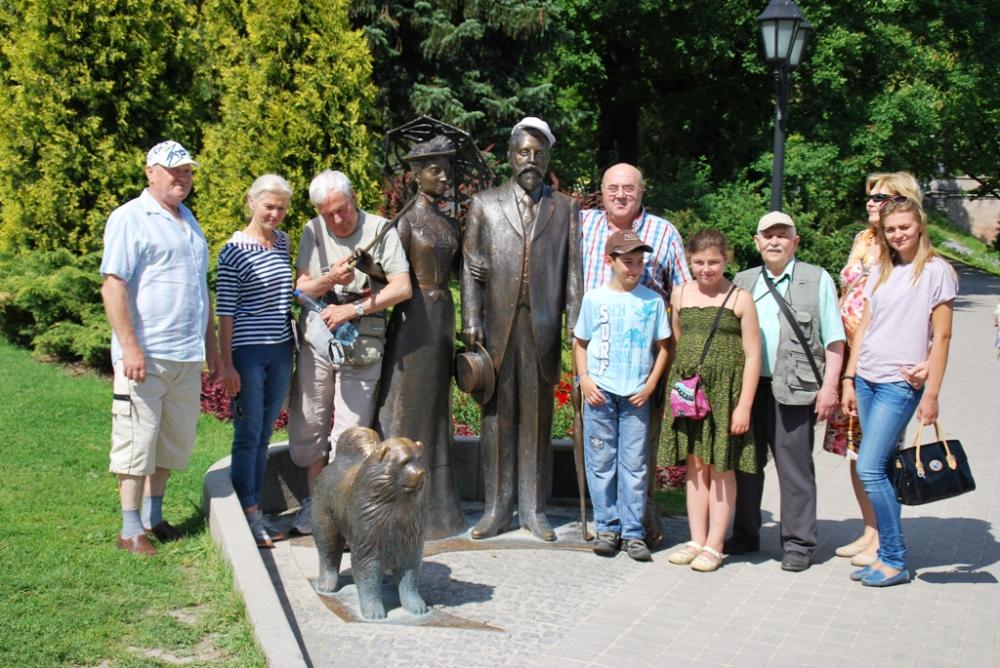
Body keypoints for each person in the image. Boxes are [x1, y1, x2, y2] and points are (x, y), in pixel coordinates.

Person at [460, 116, 582, 541]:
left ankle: (533, 508)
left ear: (547, 157)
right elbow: (470, 269)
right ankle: (496, 508)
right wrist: (471, 320)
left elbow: (573, 275)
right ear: (510, 156)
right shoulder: (484, 204)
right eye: (523, 153)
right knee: (496, 419)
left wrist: (575, 329)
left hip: (543, 329)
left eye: (538, 154)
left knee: (537, 420)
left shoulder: (565, 208)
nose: (530, 160)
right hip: (496, 330)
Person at [100, 140, 220, 556]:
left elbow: (199, 292)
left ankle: (154, 517)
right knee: (136, 441)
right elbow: (113, 284)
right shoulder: (131, 218)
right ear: (150, 172)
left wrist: (211, 350)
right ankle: (130, 530)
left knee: (170, 442)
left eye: (187, 172)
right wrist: (130, 348)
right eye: (174, 171)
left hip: (186, 356)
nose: (182, 179)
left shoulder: (190, 220)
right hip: (145, 356)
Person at [841, 196, 957, 587]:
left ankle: (894, 559)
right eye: (891, 230)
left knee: (871, 469)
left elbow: (942, 336)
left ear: (920, 224)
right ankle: (885, 555)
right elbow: (865, 329)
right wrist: (850, 378)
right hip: (868, 380)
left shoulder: (937, 271)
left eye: (904, 227)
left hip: (900, 384)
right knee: (883, 468)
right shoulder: (881, 271)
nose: (898, 234)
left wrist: (932, 393)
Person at [287, 170, 412, 535]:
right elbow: (302, 287)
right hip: (318, 340)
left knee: (350, 435)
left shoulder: (381, 229)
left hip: (362, 340)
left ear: (353, 198)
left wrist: (354, 309)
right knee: (309, 426)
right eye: (328, 214)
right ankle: (316, 508)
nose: (337, 219)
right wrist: (328, 281)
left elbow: (402, 287)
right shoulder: (312, 231)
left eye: (342, 210)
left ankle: (343, 515)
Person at [578, 162, 690, 543]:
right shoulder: (583, 225)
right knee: (601, 451)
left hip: (642, 362)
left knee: (640, 448)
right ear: (602, 190)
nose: (620, 195)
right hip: (596, 361)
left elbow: (680, 291)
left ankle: (639, 520)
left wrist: (677, 353)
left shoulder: (662, 232)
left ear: (642, 191)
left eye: (628, 188)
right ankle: (610, 524)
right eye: (612, 188)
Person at [728, 211, 846, 572]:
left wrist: (830, 388)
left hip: (795, 390)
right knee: (747, 464)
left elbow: (835, 339)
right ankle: (745, 534)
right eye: (768, 235)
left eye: (783, 235)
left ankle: (798, 543)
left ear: (796, 242)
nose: (775, 241)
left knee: (794, 467)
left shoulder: (817, 278)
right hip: (749, 390)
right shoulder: (743, 280)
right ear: (757, 242)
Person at [823, 172, 927, 568]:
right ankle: (869, 531)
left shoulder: (903, 245)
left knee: (878, 457)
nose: (871, 202)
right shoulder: (862, 240)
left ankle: (885, 539)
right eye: (869, 196)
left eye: (881, 196)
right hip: (854, 363)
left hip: (886, 368)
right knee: (855, 451)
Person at [374, 136, 465, 539]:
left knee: (436, 408)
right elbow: (384, 272)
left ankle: (439, 507)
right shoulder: (407, 222)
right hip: (414, 320)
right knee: (409, 405)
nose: (443, 176)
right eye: (434, 169)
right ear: (415, 175)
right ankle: (394, 501)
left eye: (446, 168)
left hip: (443, 316)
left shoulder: (448, 221)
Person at [662, 230, 760, 572]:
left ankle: (715, 544)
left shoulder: (739, 298)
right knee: (695, 465)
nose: (706, 269)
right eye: (699, 262)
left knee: (721, 467)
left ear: (726, 260)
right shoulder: (680, 293)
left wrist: (744, 404)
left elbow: (752, 354)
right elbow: (678, 341)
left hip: (726, 394)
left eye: (714, 262)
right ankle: (695, 539)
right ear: (689, 260)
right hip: (691, 394)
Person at [573, 230, 671, 561]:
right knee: (601, 462)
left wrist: (651, 384)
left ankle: (633, 532)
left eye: (639, 262)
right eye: (627, 262)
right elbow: (581, 342)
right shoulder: (595, 299)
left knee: (636, 464)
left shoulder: (652, 301)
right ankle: (607, 527)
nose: (634, 268)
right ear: (609, 261)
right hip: (601, 392)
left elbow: (663, 348)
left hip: (635, 396)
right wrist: (584, 379)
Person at [216, 174, 295, 548]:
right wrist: (227, 364)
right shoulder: (233, 251)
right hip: (247, 352)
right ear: (251, 202)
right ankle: (247, 513)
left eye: (281, 207)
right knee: (248, 434)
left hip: (281, 349)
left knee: (265, 433)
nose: (275, 214)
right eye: (269, 206)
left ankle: (256, 508)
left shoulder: (283, 242)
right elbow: (225, 311)